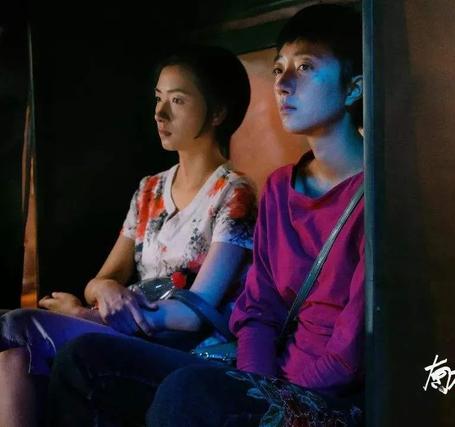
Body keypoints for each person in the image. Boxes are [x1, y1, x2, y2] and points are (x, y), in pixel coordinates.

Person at [47, 4, 365, 426]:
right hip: (267, 379)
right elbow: (259, 308)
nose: (283, 83)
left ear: (353, 88)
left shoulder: (380, 195)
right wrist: (254, 385)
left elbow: (351, 349)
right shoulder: (279, 187)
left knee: (188, 390)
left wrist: (276, 397)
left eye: (305, 67)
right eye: (278, 69)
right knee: (84, 358)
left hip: (328, 396)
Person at [0, 45, 255, 427]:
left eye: (178, 100)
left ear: (218, 112)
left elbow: (194, 313)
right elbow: (101, 280)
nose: (160, 113)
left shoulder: (234, 194)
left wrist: (88, 315)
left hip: (191, 349)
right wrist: (104, 291)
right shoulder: (149, 189)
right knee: (13, 347)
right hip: (132, 330)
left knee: (18, 326)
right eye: (158, 99)